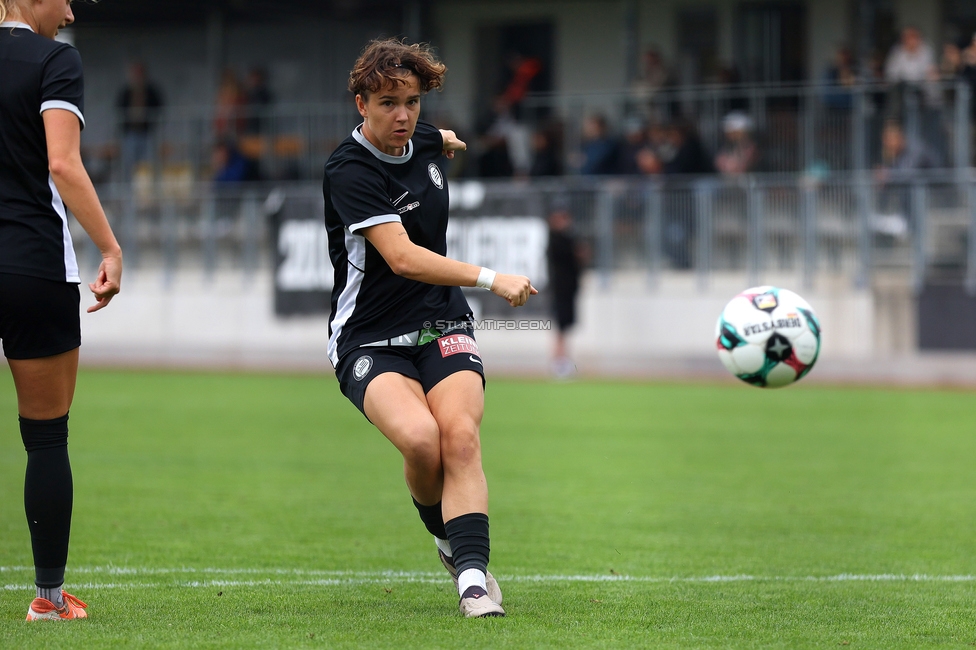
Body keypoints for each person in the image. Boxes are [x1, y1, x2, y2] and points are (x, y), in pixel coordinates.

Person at [323, 38, 535, 618]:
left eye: (412, 101)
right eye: (388, 102)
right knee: (421, 441)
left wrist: (440, 137)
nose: (403, 114)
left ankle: (471, 580)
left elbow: (432, 138)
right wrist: (493, 278)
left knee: (460, 437)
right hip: (367, 336)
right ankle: (448, 543)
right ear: (360, 104)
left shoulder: (420, 137)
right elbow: (404, 258)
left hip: (441, 321)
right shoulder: (348, 169)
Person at [0, 0, 123, 621]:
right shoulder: (55, 59)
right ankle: (48, 600)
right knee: (46, 439)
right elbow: (62, 162)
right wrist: (109, 245)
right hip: (32, 266)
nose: (71, 9)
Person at [546, 201, 583, 378]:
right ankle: (558, 362)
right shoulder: (556, 240)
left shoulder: (568, 238)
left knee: (565, 328)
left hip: (568, 290)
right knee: (561, 328)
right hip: (560, 290)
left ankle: (562, 360)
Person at [115, 61, 164, 181]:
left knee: (149, 164)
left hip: (147, 133)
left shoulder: (151, 91)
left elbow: (159, 107)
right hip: (130, 134)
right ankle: (129, 192)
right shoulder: (126, 92)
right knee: (128, 164)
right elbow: (119, 109)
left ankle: (148, 190)